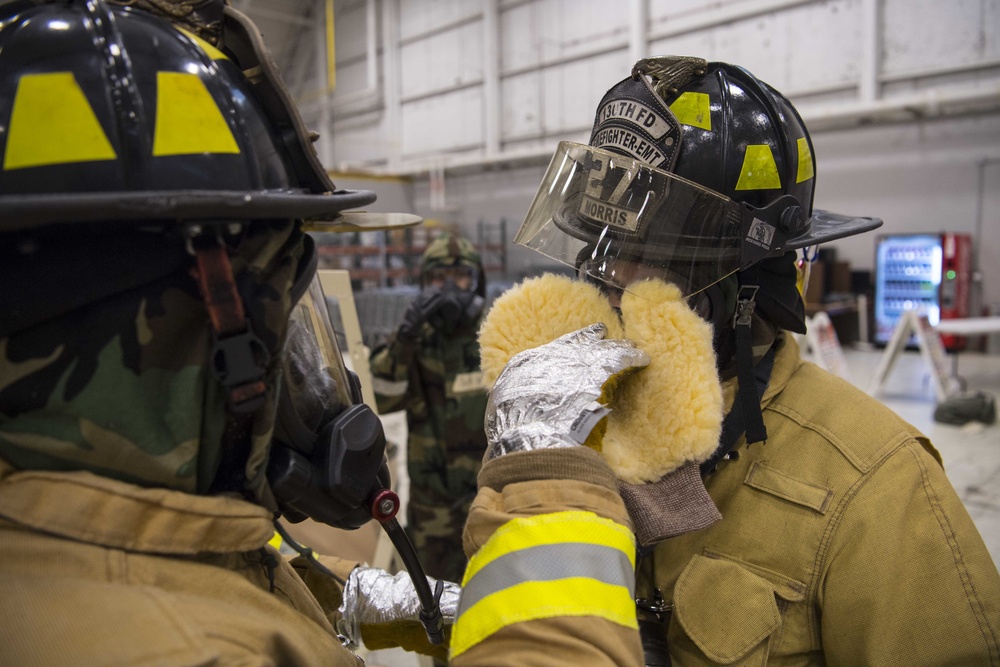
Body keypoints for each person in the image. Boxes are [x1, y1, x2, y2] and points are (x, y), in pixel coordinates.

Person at [0, 2, 586, 664]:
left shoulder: (73, 531)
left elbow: (209, 567)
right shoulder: (200, 648)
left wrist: (341, 594)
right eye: (284, 314)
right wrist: (557, 487)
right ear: (192, 322)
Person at [457, 56, 1000, 665]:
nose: (611, 283)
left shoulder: (878, 484)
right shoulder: (592, 423)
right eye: (604, 252)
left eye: (651, 258)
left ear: (741, 288)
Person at [370, 232, 489, 586]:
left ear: (477, 279)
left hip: (487, 496)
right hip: (431, 501)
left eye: (461, 276)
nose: (451, 287)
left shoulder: (496, 333)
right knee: (437, 595)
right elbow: (383, 398)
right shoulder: (415, 340)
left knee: (492, 592)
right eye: (438, 278)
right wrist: (404, 338)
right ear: (424, 283)